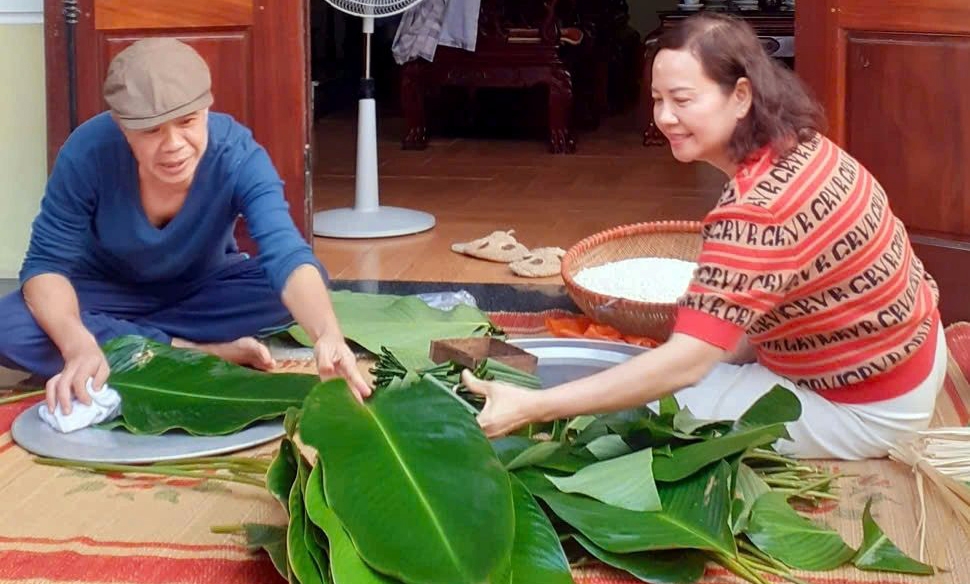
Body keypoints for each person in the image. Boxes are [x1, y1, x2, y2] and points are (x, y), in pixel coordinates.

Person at [461, 13, 946, 460]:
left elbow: (688, 364)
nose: (665, 116)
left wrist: (534, 406)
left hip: (865, 406)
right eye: (658, 99)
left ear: (741, 96)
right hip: (913, 355)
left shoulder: (756, 210)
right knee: (662, 368)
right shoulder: (802, 146)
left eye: (683, 99)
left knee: (649, 410)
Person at [0, 38, 370, 416]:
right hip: (106, 291)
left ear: (206, 109)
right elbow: (45, 266)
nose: (173, 145)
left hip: (201, 289)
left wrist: (327, 334)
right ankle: (192, 350)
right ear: (122, 126)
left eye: (187, 122)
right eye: (151, 131)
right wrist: (77, 343)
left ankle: (127, 342)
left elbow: (284, 250)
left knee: (299, 283)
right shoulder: (87, 152)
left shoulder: (237, 155)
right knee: (8, 324)